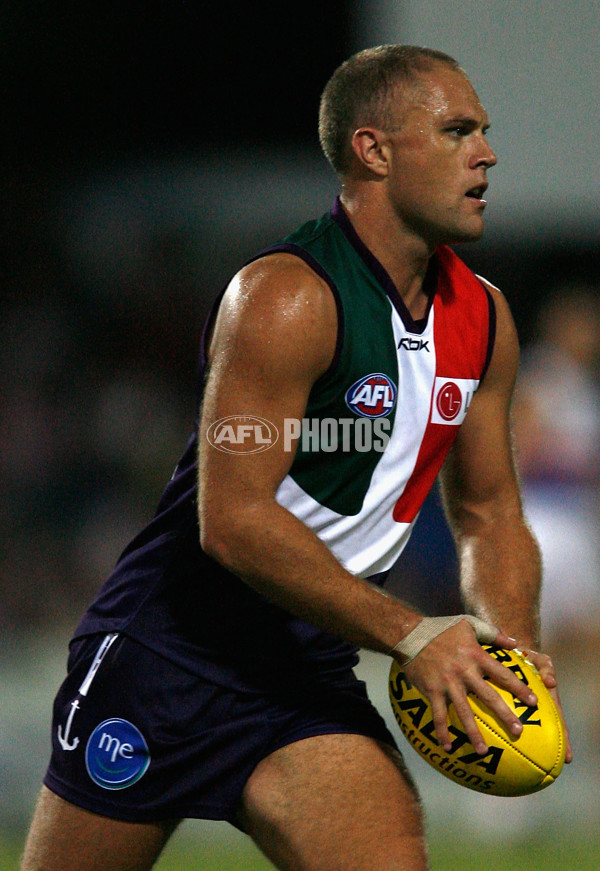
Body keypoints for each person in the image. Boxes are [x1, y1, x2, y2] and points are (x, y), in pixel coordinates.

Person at [20, 45, 572, 871]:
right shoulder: (285, 296)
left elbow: (491, 513)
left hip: (304, 673)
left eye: (484, 132)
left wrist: (507, 652)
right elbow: (233, 522)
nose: (486, 154)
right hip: (168, 655)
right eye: (457, 131)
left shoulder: (485, 320)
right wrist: (414, 634)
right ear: (373, 150)